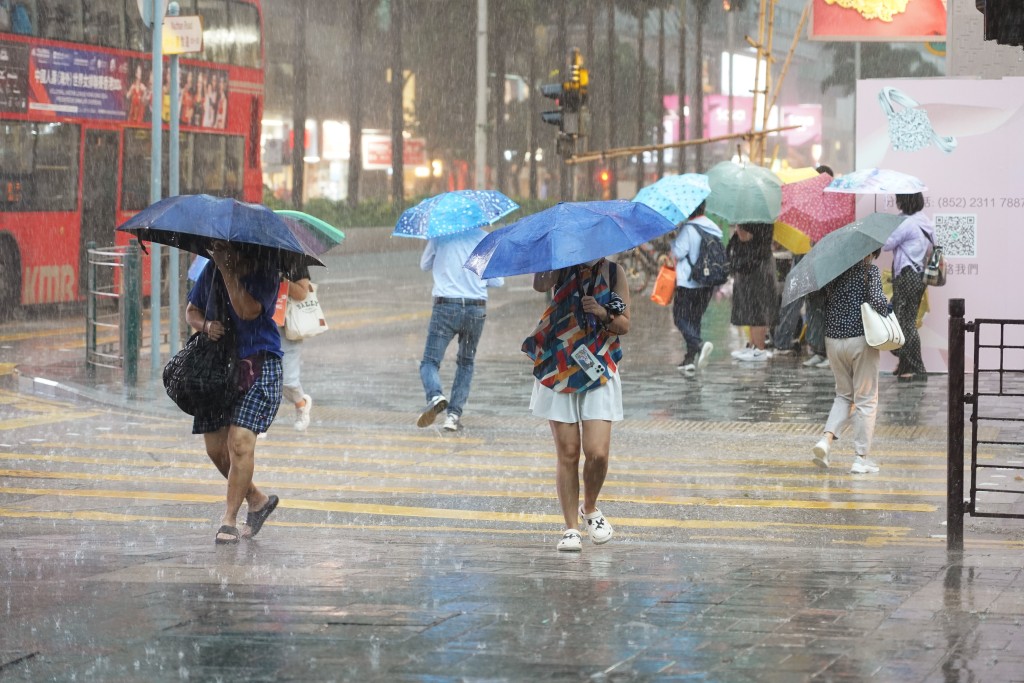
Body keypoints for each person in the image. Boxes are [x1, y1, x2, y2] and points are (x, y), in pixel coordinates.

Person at [525, 258, 630, 552]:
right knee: (568, 452)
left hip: (599, 365)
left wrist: (602, 312)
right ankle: (571, 527)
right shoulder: (558, 266)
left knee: (597, 453)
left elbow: (624, 324)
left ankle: (590, 507)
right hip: (558, 363)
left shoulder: (613, 272)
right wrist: (552, 254)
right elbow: (540, 285)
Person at [184, 241, 282, 544]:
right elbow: (191, 311)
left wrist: (228, 271)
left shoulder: (267, 271)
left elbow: (248, 310)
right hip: (217, 369)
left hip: (258, 363)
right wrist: (206, 325)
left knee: (239, 443)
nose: (222, 251)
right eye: (219, 248)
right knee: (216, 450)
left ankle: (229, 519)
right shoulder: (212, 270)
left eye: (229, 248)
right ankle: (257, 500)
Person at [811, 249, 890, 474]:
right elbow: (876, 300)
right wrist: (887, 307)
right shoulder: (869, 271)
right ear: (868, 254)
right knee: (866, 399)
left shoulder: (833, 272)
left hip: (833, 340)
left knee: (843, 395)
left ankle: (825, 441)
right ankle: (860, 458)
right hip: (861, 339)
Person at [416, 229, 503, 432]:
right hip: (476, 308)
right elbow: (497, 281)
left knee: (430, 361)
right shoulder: (485, 239)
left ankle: (435, 396)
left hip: (446, 306)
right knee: (466, 362)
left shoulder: (440, 235)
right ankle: (453, 416)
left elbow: (424, 265)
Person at [883, 192, 933, 382]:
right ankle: (905, 362)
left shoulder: (906, 223)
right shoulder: (924, 222)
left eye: (899, 199)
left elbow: (887, 244)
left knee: (904, 323)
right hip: (919, 275)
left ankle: (916, 368)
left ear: (903, 201)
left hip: (907, 274)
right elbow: (930, 249)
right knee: (899, 320)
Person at [670, 201, 721, 375]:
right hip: (706, 283)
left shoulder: (688, 229)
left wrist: (674, 239)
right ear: (704, 208)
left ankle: (699, 345)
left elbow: (678, 253)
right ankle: (689, 360)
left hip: (688, 282)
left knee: (680, 317)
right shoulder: (713, 227)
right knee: (694, 319)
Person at [727, 222, 776, 362]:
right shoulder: (765, 218)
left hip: (755, 266)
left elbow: (744, 237)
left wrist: (739, 229)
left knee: (756, 309)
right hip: (756, 264)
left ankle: (759, 349)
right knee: (751, 307)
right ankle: (754, 346)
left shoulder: (756, 220)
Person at [278, 265, 314, 431]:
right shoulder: (255, 254)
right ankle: (258, 423)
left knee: (287, 380)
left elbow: (302, 293)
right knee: (258, 376)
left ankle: (301, 404)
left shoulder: (294, 258)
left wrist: (281, 280)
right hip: (260, 325)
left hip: (286, 328)